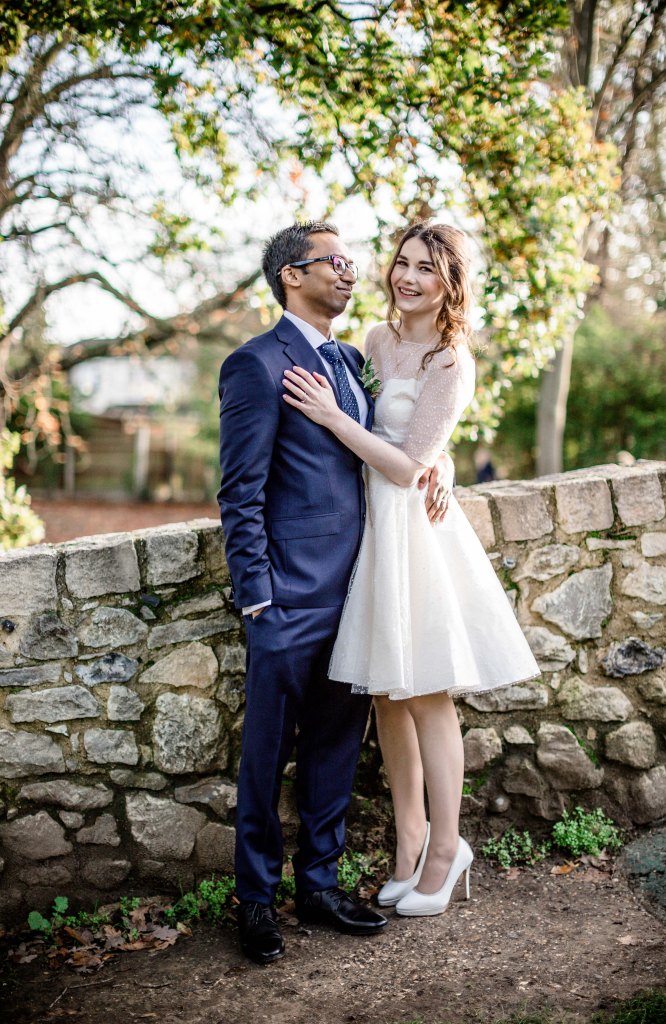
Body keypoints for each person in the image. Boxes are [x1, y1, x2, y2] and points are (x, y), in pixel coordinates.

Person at [282, 222, 540, 918]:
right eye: (402, 262)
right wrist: (436, 458)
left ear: (449, 283)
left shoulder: (451, 361)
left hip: (413, 533)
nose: (407, 277)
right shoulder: (375, 340)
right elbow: (397, 435)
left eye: (425, 268)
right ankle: (410, 842)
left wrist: (340, 421)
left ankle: (449, 848)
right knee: (387, 696)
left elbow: (405, 464)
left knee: (425, 693)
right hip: (370, 527)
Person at [217, 221, 455, 964]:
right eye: (336, 261)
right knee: (266, 757)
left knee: (333, 751)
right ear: (292, 275)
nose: (353, 273)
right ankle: (256, 900)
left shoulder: (354, 359)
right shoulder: (255, 364)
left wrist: (437, 467)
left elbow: (397, 446)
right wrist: (257, 596)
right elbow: (240, 491)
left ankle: (318, 887)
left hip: (360, 588)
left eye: (354, 262)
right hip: (286, 597)